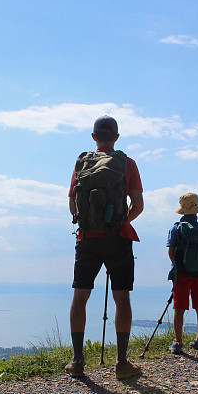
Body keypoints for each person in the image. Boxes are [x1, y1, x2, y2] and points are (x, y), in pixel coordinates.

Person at [67, 115, 144, 380]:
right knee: (121, 297)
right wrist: (120, 221)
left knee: (81, 295)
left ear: (94, 137)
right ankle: (122, 363)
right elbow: (138, 206)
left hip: (87, 238)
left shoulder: (82, 163)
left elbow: (72, 205)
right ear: (117, 137)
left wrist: (90, 221)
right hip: (118, 238)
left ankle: (77, 361)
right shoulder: (127, 163)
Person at [166, 193, 198, 354]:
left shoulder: (176, 228)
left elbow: (171, 251)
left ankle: (178, 342)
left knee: (179, 308)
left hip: (182, 274)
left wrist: (176, 265)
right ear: (197, 210)